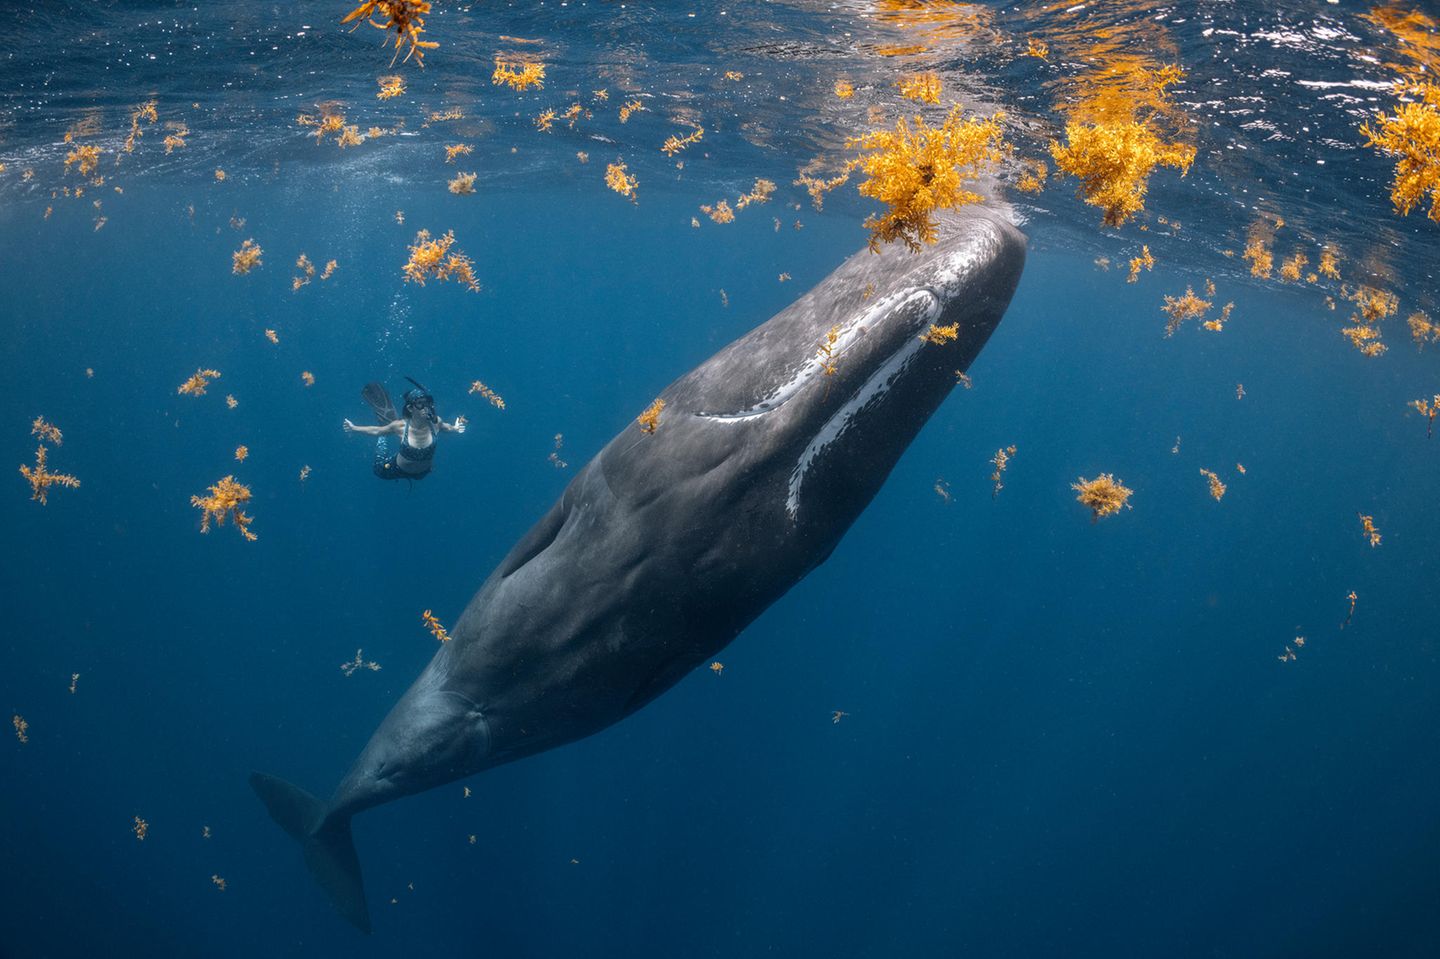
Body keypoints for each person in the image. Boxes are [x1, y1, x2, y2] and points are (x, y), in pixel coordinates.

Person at [343, 378, 465, 481]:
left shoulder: (435, 422)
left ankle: (388, 421)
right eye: (420, 404)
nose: (425, 408)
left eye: (427, 404)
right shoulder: (400, 426)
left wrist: (455, 428)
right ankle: (384, 437)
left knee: (418, 474)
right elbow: (376, 431)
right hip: (396, 468)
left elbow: (446, 428)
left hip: (421, 474)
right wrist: (354, 428)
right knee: (378, 469)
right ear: (410, 408)